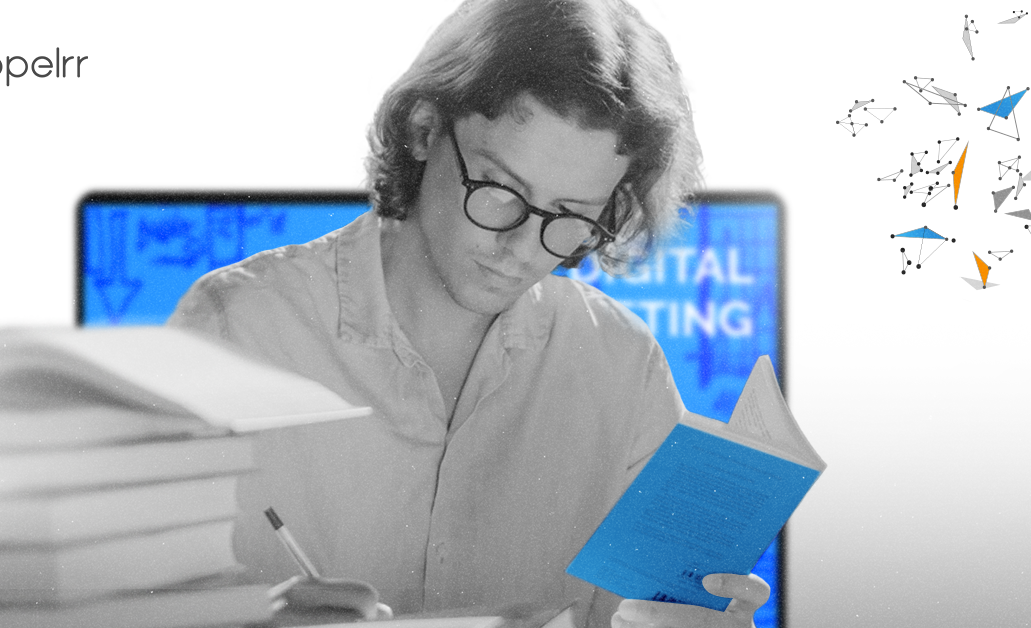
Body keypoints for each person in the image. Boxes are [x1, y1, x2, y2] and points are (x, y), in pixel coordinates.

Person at [168, 0, 770, 626]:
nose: (521, 246)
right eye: (500, 190)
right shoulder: (234, 326)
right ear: (424, 129)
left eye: (569, 216)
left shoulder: (622, 365)